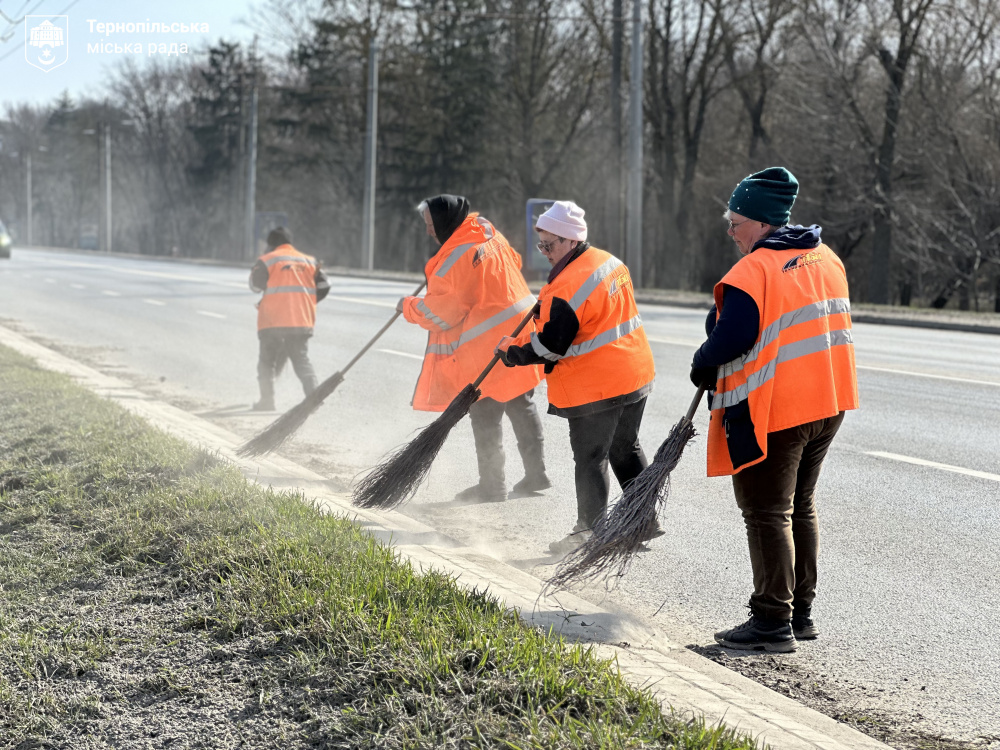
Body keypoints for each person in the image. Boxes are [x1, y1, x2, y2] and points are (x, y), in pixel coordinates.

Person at [690, 167, 858, 652]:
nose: (730, 231)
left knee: (765, 511)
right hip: (828, 401)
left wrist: (701, 364)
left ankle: (770, 621)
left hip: (777, 410)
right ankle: (799, 613)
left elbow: (730, 339)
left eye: (735, 222)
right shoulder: (824, 257)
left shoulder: (754, 270)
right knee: (799, 505)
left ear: (762, 223)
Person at [495, 200, 657, 555]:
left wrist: (514, 352)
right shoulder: (608, 261)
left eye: (549, 245)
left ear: (571, 240)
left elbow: (551, 346)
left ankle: (588, 532)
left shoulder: (566, 286)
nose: (544, 252)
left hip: (598, 385)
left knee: (590, 457)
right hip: (635, 371)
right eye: (541, 245)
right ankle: (642, 521)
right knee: (625, 446)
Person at [397, 194, 549, 503]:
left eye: (430, 225)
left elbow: (441, 314)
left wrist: (408, 306)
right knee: (521, 401)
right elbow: (515, 261)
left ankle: (493, 486)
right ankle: (537, 474)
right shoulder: (485, 229)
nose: (429, 231)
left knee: (485, 413)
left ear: (444, 222)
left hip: (488, 342)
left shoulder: (453, 260)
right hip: (522, 327)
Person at [249, 226, 330, 411]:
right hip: (300, 319)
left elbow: (254, 286)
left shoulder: (267, 260)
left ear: (270, 244)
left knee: (267, 362)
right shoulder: (309, 261)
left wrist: (257, 268)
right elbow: (326, 285)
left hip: (272, 320)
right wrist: (308, 300)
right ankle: (314, 398)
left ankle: (267, 402)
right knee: (301, 360)